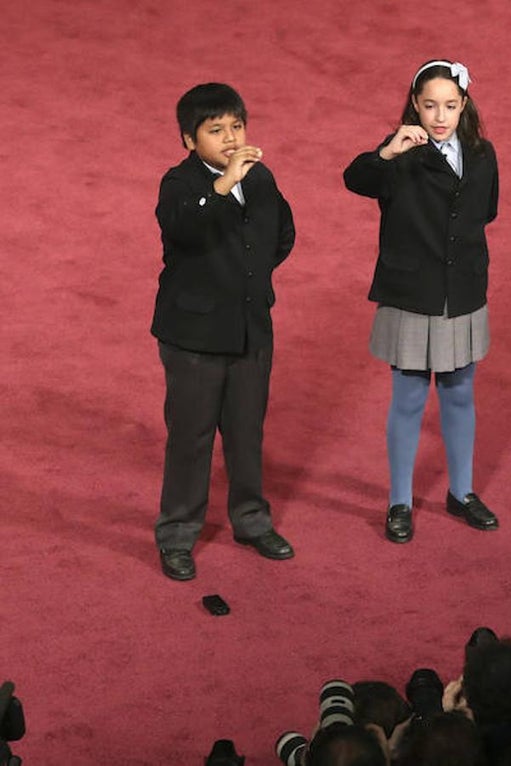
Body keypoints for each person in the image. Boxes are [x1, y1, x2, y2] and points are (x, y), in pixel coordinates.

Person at [344, 59, 500, 544]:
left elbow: (486, 210)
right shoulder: (399, 156)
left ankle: (463, 492)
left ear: (464, 106)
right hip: (411, 295)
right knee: (409, 399)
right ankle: (399, 502)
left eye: (450, 106)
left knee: (459, 393)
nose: (439, 116)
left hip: (462, 293)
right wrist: (388, 152)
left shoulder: (482, 153)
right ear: (414, 104)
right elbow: (356, 178)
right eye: (430, 105)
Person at [151, 82, 296, 581]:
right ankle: (176, 534)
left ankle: (252, 521)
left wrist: (248, 286)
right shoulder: (179, 184)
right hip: (192, 339)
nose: (231, 139)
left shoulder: (261, 179)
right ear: (190, 140)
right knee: (190, 439)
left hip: (251, 332)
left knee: (245, 434)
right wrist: (220, 184)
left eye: (237, 126)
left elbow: (282, 236)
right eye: (216, 130)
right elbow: (183, 230)